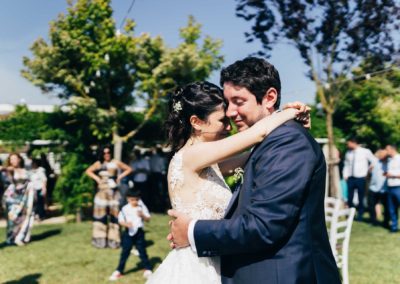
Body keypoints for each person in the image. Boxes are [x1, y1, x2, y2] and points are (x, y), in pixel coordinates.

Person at [165, 58, 341, 284]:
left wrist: (191, 231)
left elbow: (263, 221)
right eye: (227, 105)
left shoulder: (287, 143)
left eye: (238, 101)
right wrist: (288, 114)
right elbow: (256, 140)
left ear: (269, 97)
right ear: (196, 122)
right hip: (199, 266)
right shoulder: (193, 156)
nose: (230, 114)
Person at [85, 146, 133, 248]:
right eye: (104, 153)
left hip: (113, 193)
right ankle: (100, 241)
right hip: (101, 193)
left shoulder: (115, 162)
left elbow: (129, 169)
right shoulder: (99, 163)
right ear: (101, 154)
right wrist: (97, 179)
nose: (107, 154)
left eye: (108, 152)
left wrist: (119, 177)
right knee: (100, 216)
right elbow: (88, 171)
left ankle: (114, 241)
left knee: (114, 216)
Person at [109, 189, 153, 281]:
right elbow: (120, 220)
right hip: (128, 233)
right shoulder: (125, 209)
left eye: (137, 199)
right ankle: (119, 270)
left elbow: (148, 218)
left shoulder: (141, 207)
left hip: (139, 232)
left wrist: (142, 216)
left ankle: (147, 268)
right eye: (132, 200)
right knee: (125, 252)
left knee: (142, 251)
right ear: (128, 199)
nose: (135, 202)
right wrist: (126, 224)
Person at [2, 153, 35, 246]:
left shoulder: (25, 171)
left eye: (15, 158)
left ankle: (20, 237)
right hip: (12, 199)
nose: (13, 161)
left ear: (19, 159)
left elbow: (29, 182)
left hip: (24, 197)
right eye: (11, 159)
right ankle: (10, 238)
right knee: (12, 219)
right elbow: (6, 171)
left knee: (25, 217)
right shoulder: (8, 170)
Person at [342, 137, 375, 221]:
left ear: (354, 142)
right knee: (350, 197)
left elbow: (374, 161)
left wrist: (368, 171)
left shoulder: (365, 151)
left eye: (348, 143)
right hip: (351, 178)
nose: (347, 145)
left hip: (361, 178)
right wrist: (345, 175)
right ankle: (350, 214)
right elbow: (346, 164)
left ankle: (360, 215)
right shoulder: (348, 153)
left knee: (361, 197)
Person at [368, 149, 389, 226]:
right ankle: (373, 221)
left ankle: (386, 222)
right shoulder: (375, 162)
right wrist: (370, 170)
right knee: (371, 205)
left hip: (384, 189)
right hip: (373, 188)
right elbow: (369, 172)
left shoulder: (389, 163)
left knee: (386, 207)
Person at [384, 144, 400, 232]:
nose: (386, 151)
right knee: (392, 208)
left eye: (387, 150)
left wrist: (392, 175)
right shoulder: (389, 160)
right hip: (390, 187)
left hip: (398, 186)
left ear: (392, 149)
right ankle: (394, 227)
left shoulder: (399, 158)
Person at [149, 146, 168, 212]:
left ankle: (155, 207)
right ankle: (161, 208)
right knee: (161, 192)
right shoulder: (162, 158)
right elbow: (163, 168)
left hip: (152, 175)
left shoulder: (152, 157)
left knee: (154, 192)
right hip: (159, 175)